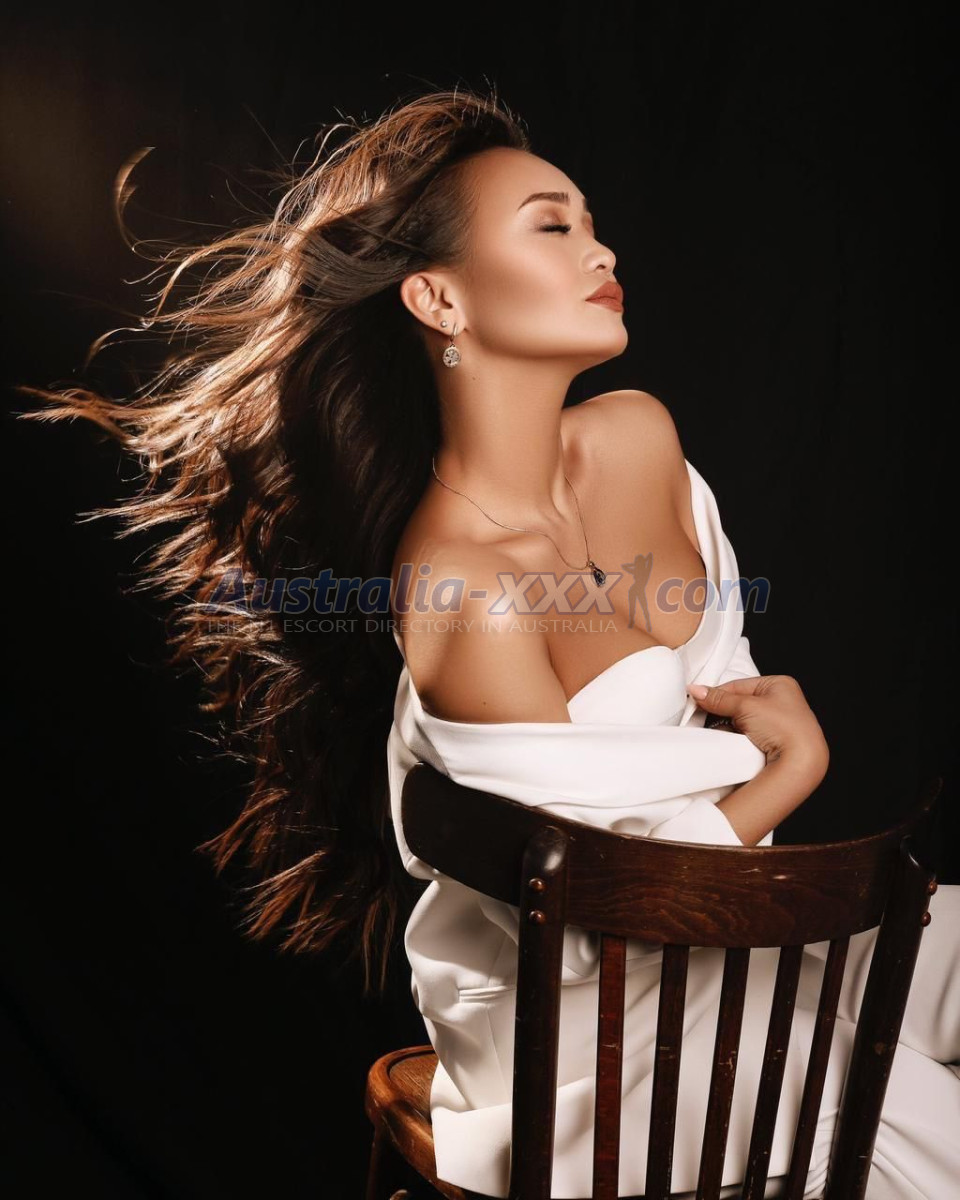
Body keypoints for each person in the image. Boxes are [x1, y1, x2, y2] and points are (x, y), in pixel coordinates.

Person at [17, 86, 958, 1198]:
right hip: (588, 1036)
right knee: (878, 1112)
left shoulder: (637, 438)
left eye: (590, 221)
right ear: (439, 298)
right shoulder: (463, 584)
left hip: (736, 931)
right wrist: (792, 770)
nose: (601, 249)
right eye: (552, 226)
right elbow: (595, 931)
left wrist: (755, 812)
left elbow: (710, 728)